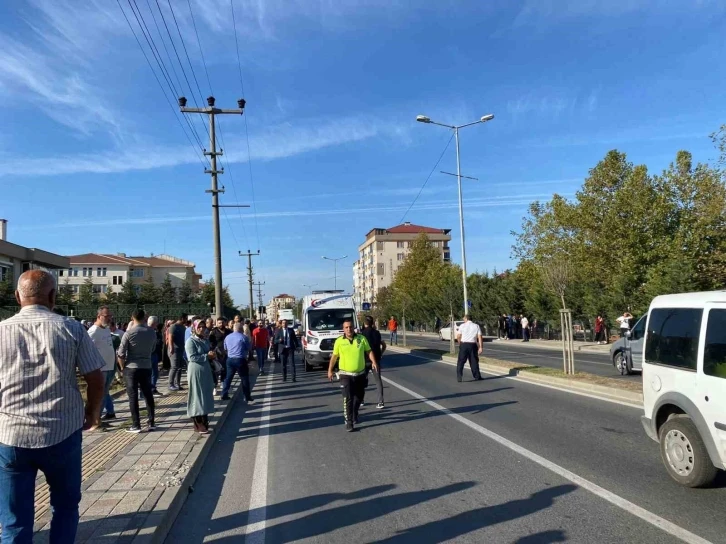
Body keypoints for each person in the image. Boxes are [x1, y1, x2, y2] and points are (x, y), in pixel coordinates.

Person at [0, 271, 105, 543]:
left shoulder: (1, 331)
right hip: (63, 432)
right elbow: (95, 377)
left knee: (14, 521)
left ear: (17, 297)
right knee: (65, 508)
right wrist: (92, 413)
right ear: (52, 296)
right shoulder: (70, 328)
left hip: (11, 436)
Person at [328, 320, 378, 432]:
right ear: (343, 329)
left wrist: (374, 362)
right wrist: (330, 370)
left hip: (360, 373)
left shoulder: (361, 339)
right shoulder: (339, 341)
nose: (349, 329)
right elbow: (334, 357)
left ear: (353, 327)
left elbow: (369, 351)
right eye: (346, 327)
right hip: (345, 374)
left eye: (350, 327)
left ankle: (354, 412)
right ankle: (349, 421)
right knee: (348, 398)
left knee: (359, 396)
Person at [117, 309, 157, 433]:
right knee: (148, 395)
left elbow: (121, 354)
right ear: (144, 318)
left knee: (133, 396)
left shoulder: (129, 333)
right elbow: (153, 348)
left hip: (131, 367)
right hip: (146, 365)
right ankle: (151, 422)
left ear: (132, 317)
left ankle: (136, 424)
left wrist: (122, 367)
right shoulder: (152, 332)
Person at [185, 319, 215, 434]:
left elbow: (208, 352)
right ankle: (198, 422)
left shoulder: (205, 340)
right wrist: (207, 356)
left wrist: (212, 355)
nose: (202, 329)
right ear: (194, 328)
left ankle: (204, 418)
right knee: (197, 395)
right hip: (196, 370)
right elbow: (192, 357)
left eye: (203, 326)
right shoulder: (191, 341)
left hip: (205, 370)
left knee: (205, 394)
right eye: (199, 327)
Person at [88, 305, 118, 421]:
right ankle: (96, 420)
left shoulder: (105, 328)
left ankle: (105, 415)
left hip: (110, 366)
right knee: (100, 395)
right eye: (107, 316)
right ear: (99, 316)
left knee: (104, 393)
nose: (109, 318)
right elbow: (87, 349)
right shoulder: (93, 331)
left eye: (110, 316)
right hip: (101, 368)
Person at [222, 323, 254, 402]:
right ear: (241, 329)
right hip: (240, 359)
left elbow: (225, 348)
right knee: (244, 378)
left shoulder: (227, 337)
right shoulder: (243, 337)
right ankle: (247, 396)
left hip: (230, 359)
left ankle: (224, 394)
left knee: (228, 378)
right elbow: (249, 348)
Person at [360, 316, 386, 409]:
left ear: (365, 323)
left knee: (362, 380)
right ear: (372, 323)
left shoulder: (361, 334)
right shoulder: (377, 333)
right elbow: (383, 344)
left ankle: (361, 400)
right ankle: (381, 402)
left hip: (364, 360)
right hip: (376, 360)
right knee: (378, 380)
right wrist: (381, 353)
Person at [455, 314, 484, 382]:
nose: (463, 319)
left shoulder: (462, 326)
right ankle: (477, 376)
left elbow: (458, 336)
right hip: (472, 345)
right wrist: (480, 347)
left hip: (464, 344)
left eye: (464, 318)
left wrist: (460, 343)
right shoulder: (476, 326)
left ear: (466, 318)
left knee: (461, 361)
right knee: (474, 361)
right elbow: (479, 337)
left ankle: (459, 376)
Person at [168, 313, 187, 391]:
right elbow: (170, 338)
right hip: (174, 350)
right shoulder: (173, 327)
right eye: (185, 318)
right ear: (182, 318)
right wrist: (171, 348)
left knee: (179, 368)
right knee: (174, 367)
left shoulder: (183, 327)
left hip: (181, 349)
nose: (186, 320)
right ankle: (170, 384)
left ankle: (177, 384)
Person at [147, 316, 164, 397]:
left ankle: (153, 388)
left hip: (154, 354)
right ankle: (148, 389)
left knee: (155, 373)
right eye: (156, 322)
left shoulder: (154, 331)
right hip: (149, 355)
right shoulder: (146, 331)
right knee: (149, 373)